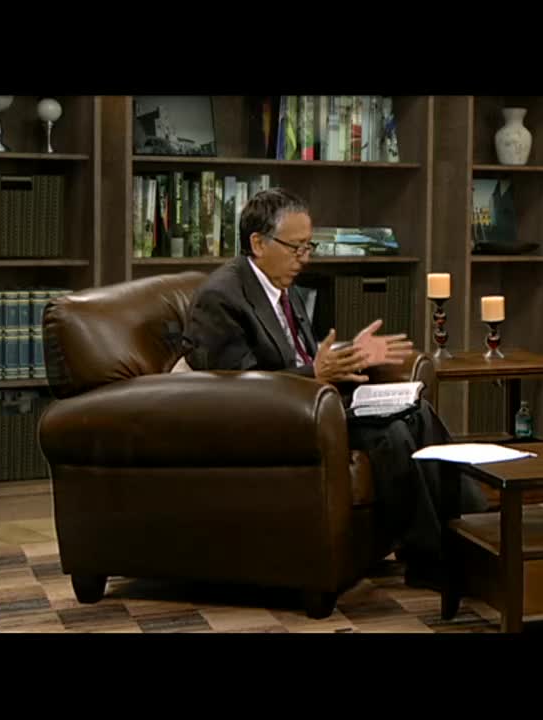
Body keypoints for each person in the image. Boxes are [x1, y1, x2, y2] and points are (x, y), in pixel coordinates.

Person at [182, 187, 487, 588]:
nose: (304, 259)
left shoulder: (279, 287)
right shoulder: (221, 299)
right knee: (391, 433)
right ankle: (428, 560)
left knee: (418, 413)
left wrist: (351, 355)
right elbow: (240, 389)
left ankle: (478, 538)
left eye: (308, 247)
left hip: (315, 401)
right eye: (295, 248)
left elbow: (304, 358)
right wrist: (315, 374)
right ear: (257, 243)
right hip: (275, 421)